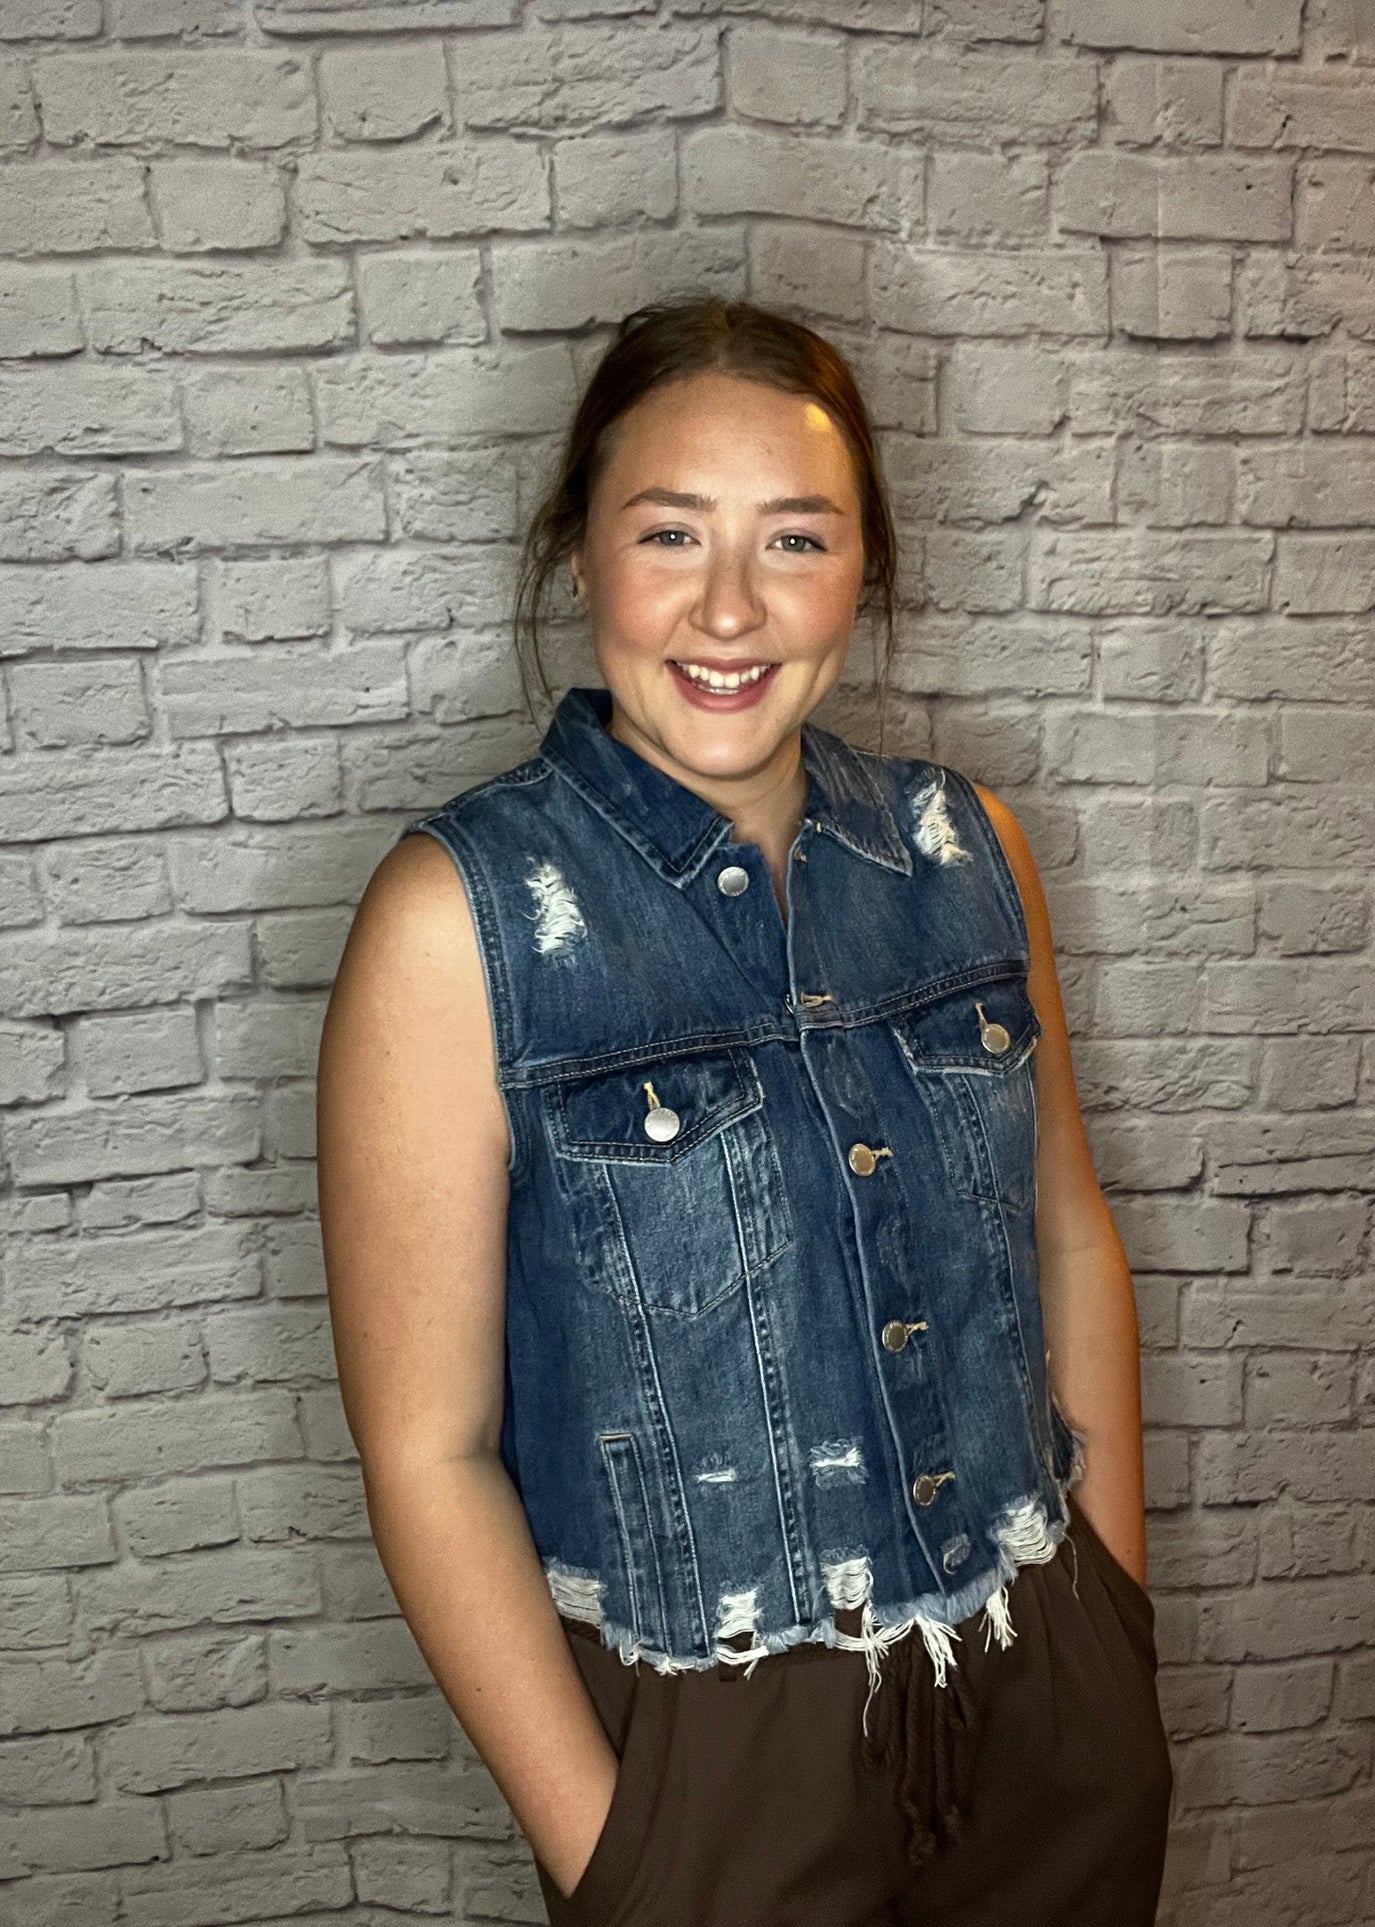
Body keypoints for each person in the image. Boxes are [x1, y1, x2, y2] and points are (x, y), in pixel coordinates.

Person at [317, 297, 1173, 1926]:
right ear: (580, 557)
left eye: (794, 538)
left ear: (868, 567)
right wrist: (622, 1853)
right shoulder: (462, 921)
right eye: (668, 534)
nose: (728, 606)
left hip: (1045, 1696)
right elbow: (426, 1452)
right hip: (712, 1763)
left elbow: (1066, 1230)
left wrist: (1107, 1630)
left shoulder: (964, 847)